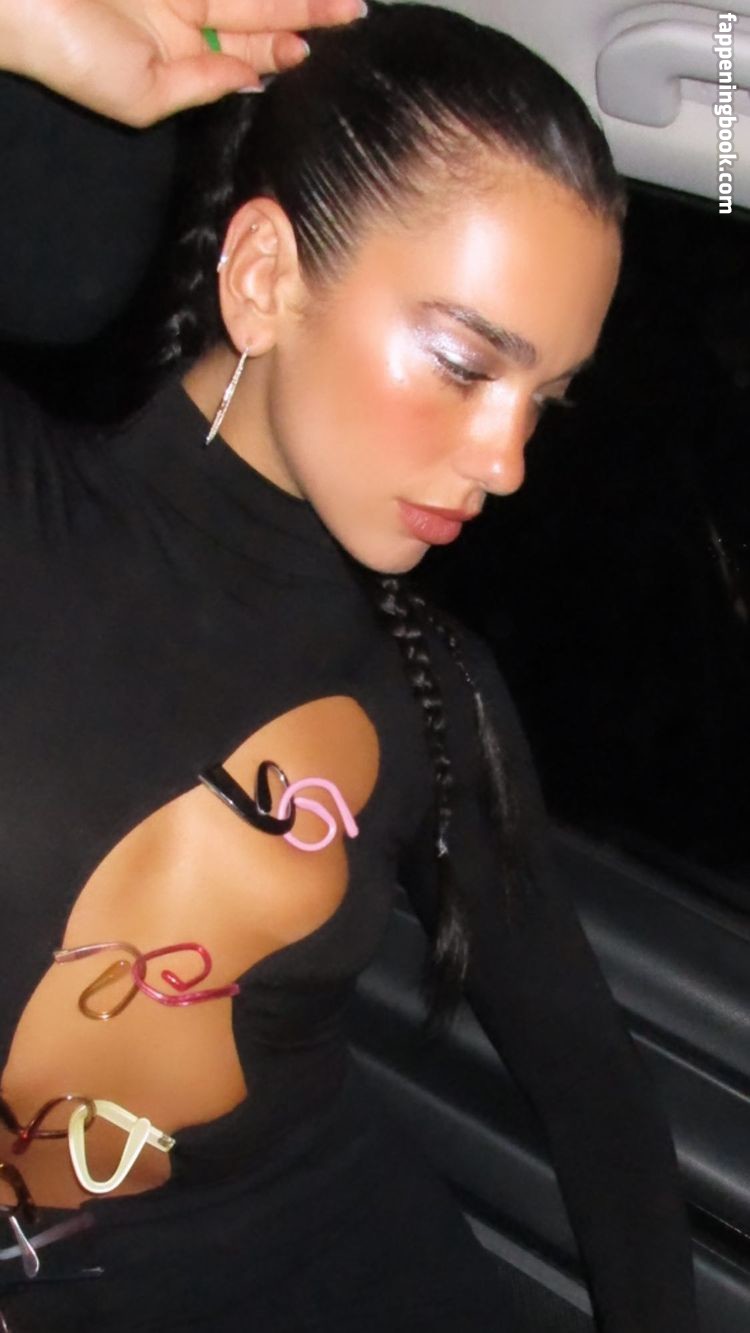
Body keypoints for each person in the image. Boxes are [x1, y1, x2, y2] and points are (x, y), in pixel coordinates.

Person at [0, 2, 700, 1330]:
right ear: (265, 276)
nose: (507, 462)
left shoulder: (432, 686)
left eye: (542, 401)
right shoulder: (22, 510)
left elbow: (595, 1089)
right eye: (463, 363)